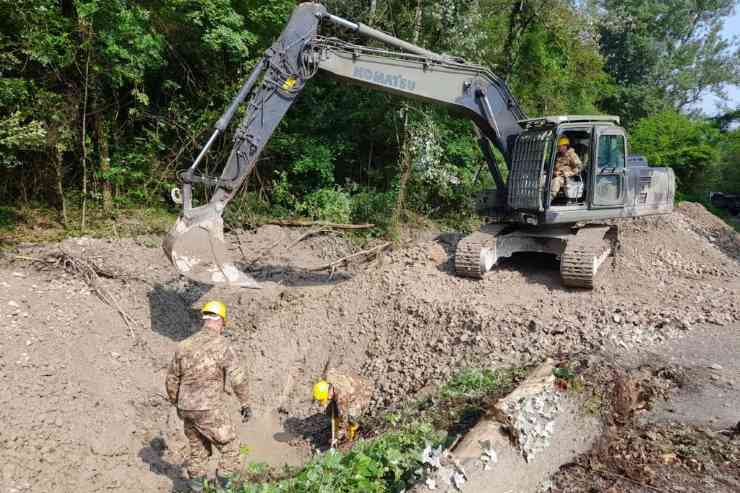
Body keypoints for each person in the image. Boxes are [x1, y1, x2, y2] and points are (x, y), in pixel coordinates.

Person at [165, 301, 252, 492]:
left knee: (198, 452)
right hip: (208, 408)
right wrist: (245, 403)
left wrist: (177, 403)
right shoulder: (222, 345)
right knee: (231, 448)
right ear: (221, 320)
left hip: (186, 408)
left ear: (205, 319)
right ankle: (223, 488)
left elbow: (171, 379)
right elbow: (238, 377)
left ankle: (197, 489)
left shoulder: (184, 345)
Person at [312, 368, 372, 447]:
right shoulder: (328, 380)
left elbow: (344, 419)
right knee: (330, 410)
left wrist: (338, 436)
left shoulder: (342, 398)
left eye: (326, 398)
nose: (327, 400)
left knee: (351, 416)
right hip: (351, 386)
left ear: (329, 392)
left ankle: (354, 429)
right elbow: (332, 370)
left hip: (363, 391)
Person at [550, 136, 583, 201]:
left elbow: (579, 168)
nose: (558, 147)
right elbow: (554, 166)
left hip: (568, 178)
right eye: (558, 146)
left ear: (565, 146)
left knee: (557, 180)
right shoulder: (557, 155)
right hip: (556, 175)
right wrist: (554, 172)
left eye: (560, 146)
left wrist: (568, 173)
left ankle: (549, 198)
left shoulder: (572, 155)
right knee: (544, 178)